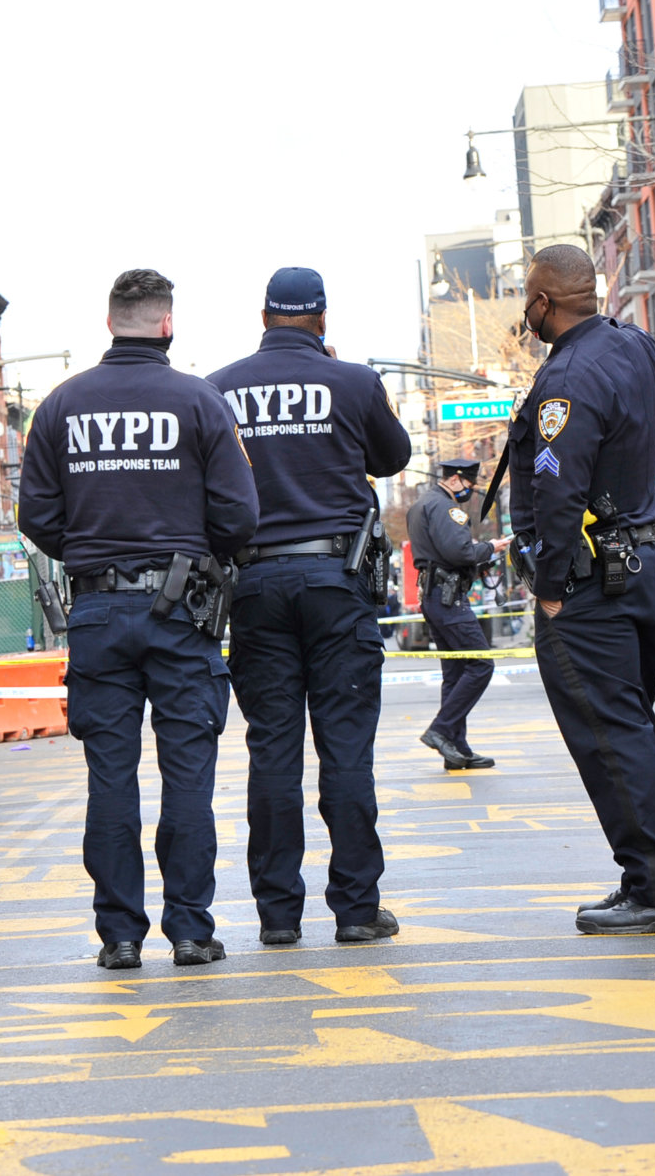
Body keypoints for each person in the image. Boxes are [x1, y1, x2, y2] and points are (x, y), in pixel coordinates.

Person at [18, 269, 258, 970]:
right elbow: (241, 515)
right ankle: (189, 930)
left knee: (110, 778)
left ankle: (120, 935)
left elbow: (35, 514)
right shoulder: (198, 401)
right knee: (188, 775)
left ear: (110, 321)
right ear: (166, 324)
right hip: (181, 612)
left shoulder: (60, 406)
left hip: (94, 609)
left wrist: (90, 554)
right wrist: (193, 549)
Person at [208, 267, 413, 946]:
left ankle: (277, 915)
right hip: (336, 582)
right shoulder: (352, 381)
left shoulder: (221, 387)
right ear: (323, 320)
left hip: (257, 587)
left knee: (272, 752)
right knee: (346, 751)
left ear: (263, 317)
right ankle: (356, 909)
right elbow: (394, 456)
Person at [510, 243, 655, 934]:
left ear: (543, 303)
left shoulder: (569, 376)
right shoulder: (632, 346)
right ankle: (654, 880)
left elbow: (558, 487)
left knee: (613, 740)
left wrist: (551, 586)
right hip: (640, 567)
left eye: (527, 299)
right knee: (631, 733)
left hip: (591, 584)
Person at [408, 458, 514, 769]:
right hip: (448, 597)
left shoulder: (422, 504)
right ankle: (441, 731)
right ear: (455, 479)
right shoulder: (446, 507)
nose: (470, 490)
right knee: (481, 664)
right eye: (469, 484)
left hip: (435, 594)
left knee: (455, 673)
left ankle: (457, 747)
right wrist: (489, 548)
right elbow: (459, 552)